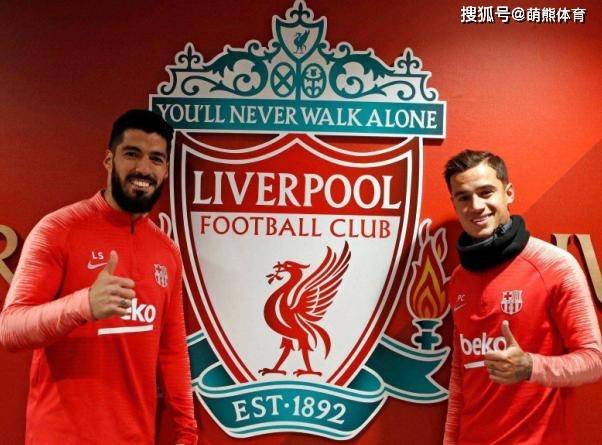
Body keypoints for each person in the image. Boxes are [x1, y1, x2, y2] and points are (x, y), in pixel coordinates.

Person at [0, 109, 197, 444]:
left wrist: (186, 433)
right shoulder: (58, 229)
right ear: (109, 160)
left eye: (156, 159)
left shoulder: (167, 251)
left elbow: (172, 350)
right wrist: (84, 305)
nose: (143, 169)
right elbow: (10, 329)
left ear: (165, 170)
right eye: (132, 154)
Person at [442, 149, 602, 445]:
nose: (476, 206)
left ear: (508, 193)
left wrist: (530, 367)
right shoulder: (457, 281)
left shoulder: (555, 265)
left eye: (486, 192)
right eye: (463, 197)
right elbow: (460, 378)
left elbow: (594, 360)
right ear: (454, 203)